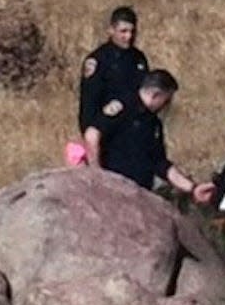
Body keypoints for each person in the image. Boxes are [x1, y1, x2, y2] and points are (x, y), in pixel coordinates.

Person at [88, 68, 216, 205]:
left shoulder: (153, 123)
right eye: (166, 101)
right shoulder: (123, 106)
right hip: (112, 192)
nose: (167, 106)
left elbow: (160, 164)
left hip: (139, 195)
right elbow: (92, 134)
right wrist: (98, 176)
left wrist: (193, 188)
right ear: (156, 95)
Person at [78, 6, 149, 164]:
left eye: (132, 32)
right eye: (123, 31)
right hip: (107, 133)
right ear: (111, 30)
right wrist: (92, 141)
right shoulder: (98, 61)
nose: (128, 36)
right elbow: (89, 104)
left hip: (132, 134)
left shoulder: (138, 58)